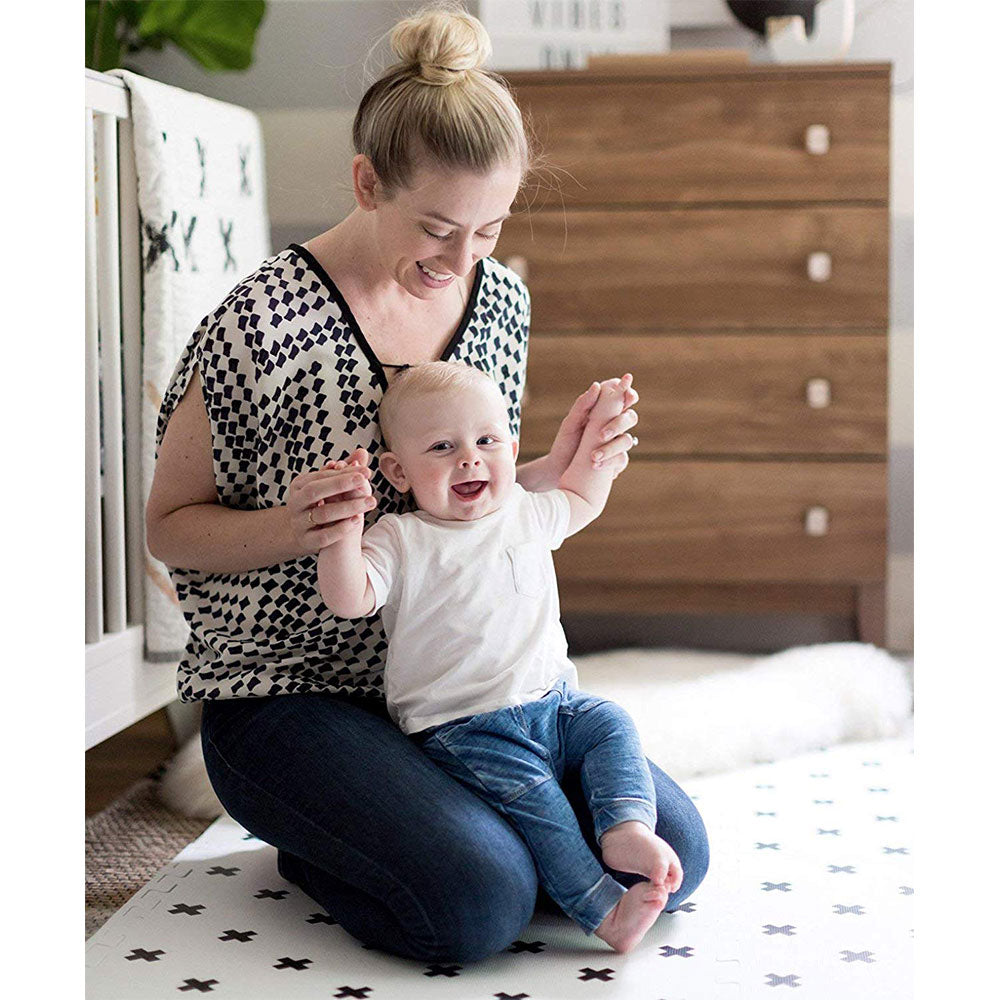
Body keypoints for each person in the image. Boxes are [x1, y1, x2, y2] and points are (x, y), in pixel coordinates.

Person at [145, 2, 708, 963]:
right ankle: (322, 844)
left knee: (675, 854)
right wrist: (302, 526)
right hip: (294, 694)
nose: (459, 264)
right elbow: (169, 528)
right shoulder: (261, 325)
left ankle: (423, 826)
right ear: (368, 182)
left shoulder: (499, 300)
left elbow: (465, 509)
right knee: (479, 904)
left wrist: (561, 471)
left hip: (471, 693)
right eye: (438, 230)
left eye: (488, 231)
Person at [318, 360, 684, 953]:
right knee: (544, 809)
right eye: (442, 447)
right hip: (465, 727)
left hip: (556, 706)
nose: (469, 458)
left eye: (486, 441)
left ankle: (625, 827)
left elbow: (581, 499)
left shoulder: (522, 508)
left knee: (612, 720)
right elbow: (350, 599)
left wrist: (598, 439)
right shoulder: (400, 537)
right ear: (397, 471)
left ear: (512, 449)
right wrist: (341, 532)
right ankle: (603, 911)